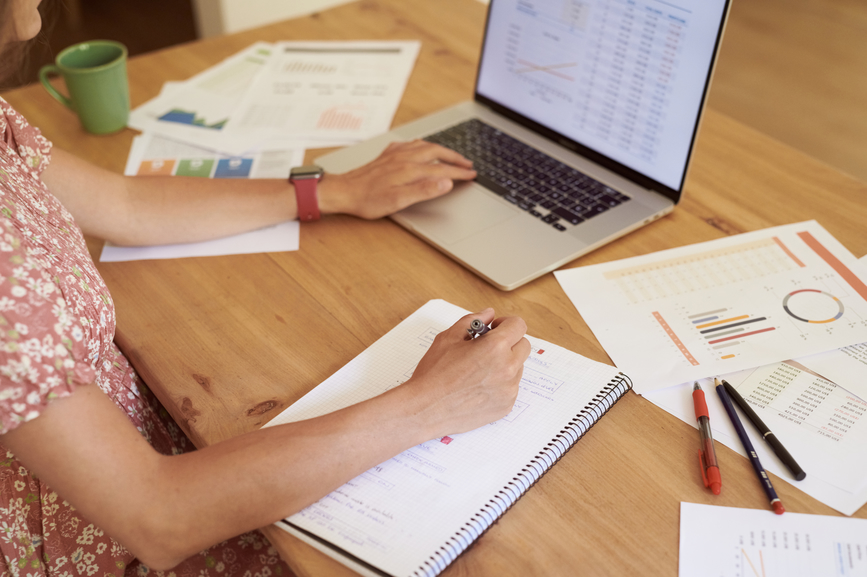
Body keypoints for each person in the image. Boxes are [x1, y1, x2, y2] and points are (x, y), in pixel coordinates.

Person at [0, 1, 531, 575]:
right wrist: (428, 404)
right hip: (100, 533)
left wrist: (331, 191)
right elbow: (159, 515)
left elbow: (122, 204)